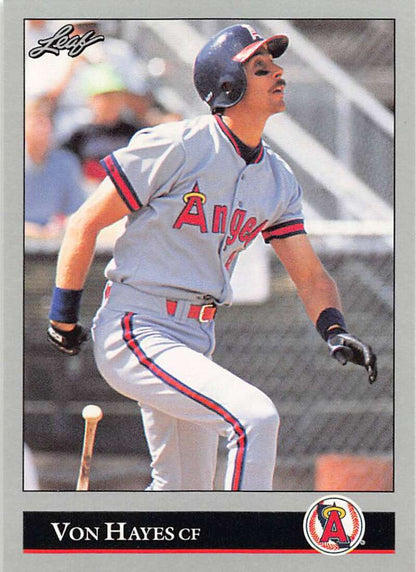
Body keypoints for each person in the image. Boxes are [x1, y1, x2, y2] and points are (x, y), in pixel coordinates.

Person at [46, 24, 377, 491]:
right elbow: (85, 222)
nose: (279, 73)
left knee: (182, 492)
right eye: (262, 68)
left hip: (197, 334)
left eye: (274, 65)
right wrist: (63, 317)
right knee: (255, 418)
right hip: (138, 325)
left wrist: (335, 327)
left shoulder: (278, 178)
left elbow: (310, 275)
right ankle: (240, 552)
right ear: (229, 86)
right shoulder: (178, 145)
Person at [62, 64, 141, 188]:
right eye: (105, 98)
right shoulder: (78, 137)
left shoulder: (135, 134)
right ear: (90, 100)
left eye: (116, 97)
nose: (111, 103)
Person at [25, 99, 86, 239]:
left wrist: (59, 226)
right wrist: (31, 231)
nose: (43, 129)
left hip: (54, 239)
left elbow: (77, 211)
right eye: (37, 122)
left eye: (48, 122)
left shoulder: (66, 162)